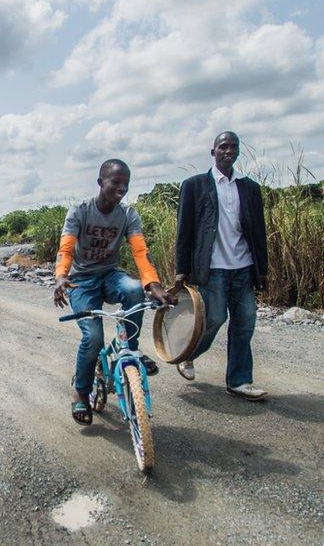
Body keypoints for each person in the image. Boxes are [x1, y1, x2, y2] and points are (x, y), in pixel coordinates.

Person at [54, 159, 175, 425]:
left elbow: (140, 253)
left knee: (134, 290)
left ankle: (130, 351)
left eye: (126, 184)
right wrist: (61, 276)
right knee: (94, 337)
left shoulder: (128, 214)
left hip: (109, 275)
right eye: (115, 182)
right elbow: (66, 248)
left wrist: (152, 284)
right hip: (81, 281)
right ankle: (80, 391)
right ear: (100, 183)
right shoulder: (80, 211)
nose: (122, 188)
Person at [174, 131, 268, 400]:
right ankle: (188, 354)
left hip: (243, 267)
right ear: (213, 152)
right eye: (223, 146)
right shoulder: (194, 186)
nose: (229, 151)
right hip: (212, 267)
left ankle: (239, 381)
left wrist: (262, 270)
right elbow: (184, 230)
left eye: (234, 147)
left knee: (245, 322)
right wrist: (182, 268)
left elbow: (258, 232)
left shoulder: (249, 188)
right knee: (214, 318)